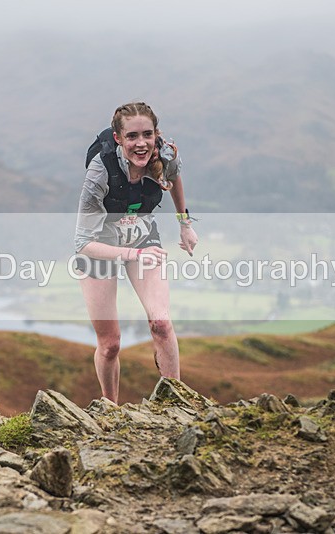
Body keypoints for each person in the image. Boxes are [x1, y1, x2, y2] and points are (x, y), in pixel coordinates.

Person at [74, 102, 198, 403]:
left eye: (147, 135)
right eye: (132, 137)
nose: (141, 144)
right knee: (110, 344)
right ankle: (110, 409)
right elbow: (83, 243)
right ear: (119, 139)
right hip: (99, 247)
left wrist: (185, 224)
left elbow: (175, 178)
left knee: (161, 324)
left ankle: (176, 402)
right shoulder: (99, 172)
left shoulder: (165, 154)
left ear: (156, 134)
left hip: (141, 235)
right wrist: (130, 256)